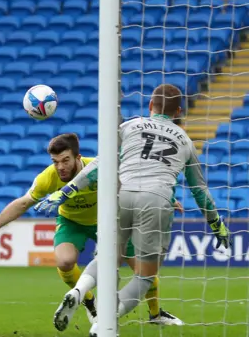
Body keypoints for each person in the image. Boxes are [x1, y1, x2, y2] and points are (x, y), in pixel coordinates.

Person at [36, 84, 230, 335]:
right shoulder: (186, 141)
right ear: (179, 111)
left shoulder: (130, 125)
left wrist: (66, 191)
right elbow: (199, 191)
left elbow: (100, 163)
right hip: (158, 200)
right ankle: (103, 323)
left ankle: (78, 291)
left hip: (123, 196)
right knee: (144, 277)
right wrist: (216, 224)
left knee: (106, 258)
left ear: (150, 105)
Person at [0, 133, 183, 326]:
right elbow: (23, 203)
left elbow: (132, 183)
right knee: (64, 262)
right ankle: (88, 302)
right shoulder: (47, 177)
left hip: (108, 222)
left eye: (65, 160)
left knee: (144, 269)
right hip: (71, 222)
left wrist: (163, 199)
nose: (60, 167)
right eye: (55, 162)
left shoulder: (97, 168)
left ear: (78, 158)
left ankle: (155, 314)